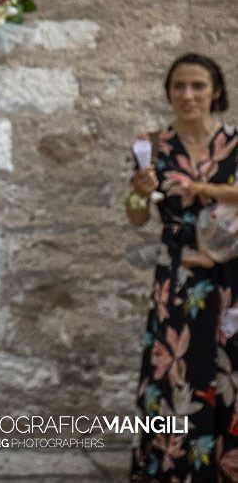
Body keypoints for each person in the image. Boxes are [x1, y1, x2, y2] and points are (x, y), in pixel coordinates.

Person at [128, 53, 238, 481]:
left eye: (198, 86)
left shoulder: (236, 145)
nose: (188, 95)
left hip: (232, 278)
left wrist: (199, 187)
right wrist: (137, 193)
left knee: (229, 369)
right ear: (169, 91)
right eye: (179, 86)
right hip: (176, 278)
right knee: (174, 370)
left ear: (216, 91)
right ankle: (170, 468)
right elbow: (137, 216)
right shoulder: (153, 146)